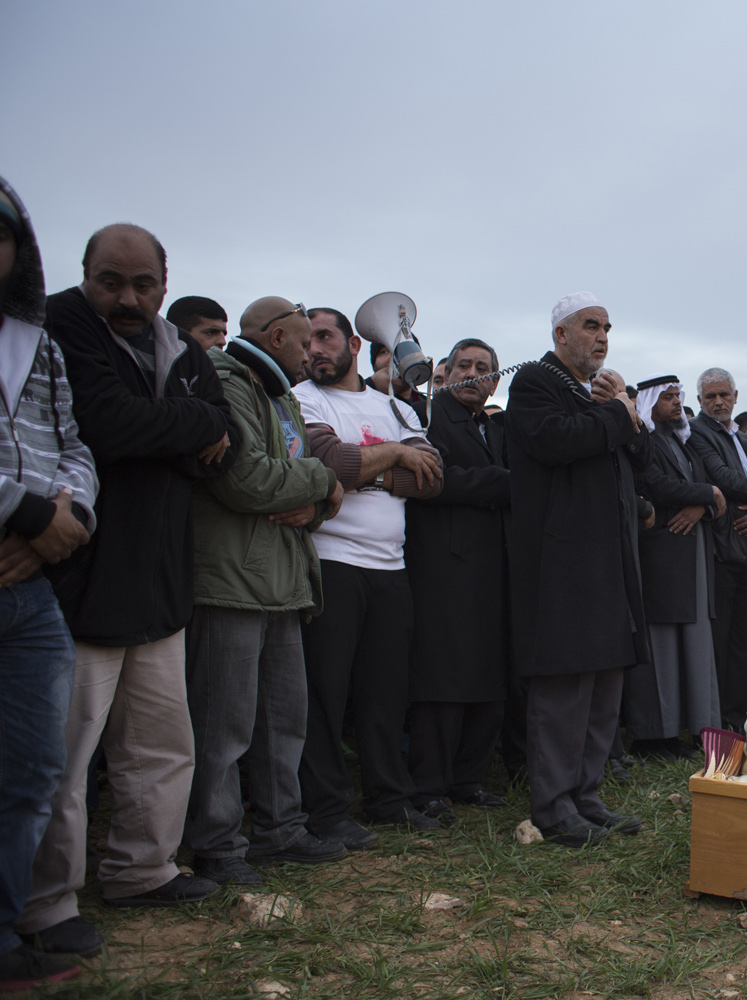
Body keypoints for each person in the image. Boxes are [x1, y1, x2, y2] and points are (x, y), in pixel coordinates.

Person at [24, 224, 233, 958]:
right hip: (78, 578)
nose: (126, 297)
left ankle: (143, 869)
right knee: (63, 754)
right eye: (111, 281)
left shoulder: (176, 343)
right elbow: (101, 425)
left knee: (160, 743)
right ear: (85, 274)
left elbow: (225, 436)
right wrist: (187, 431)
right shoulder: (60, 325)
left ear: (164, 282)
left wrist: (179, 433)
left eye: (142, 284)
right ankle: (46, 900)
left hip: (162, 575)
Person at [183, 297, 349, 885]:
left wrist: (317, 499)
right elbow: (246, 480)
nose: (312, 354)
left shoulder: (281, 397)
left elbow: (313, 501)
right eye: (305, 343)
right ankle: (218, 845)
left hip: (282, 579)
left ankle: (281, 830)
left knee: (285, 722)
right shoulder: (225, 383)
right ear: (277, 337)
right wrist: (327, 479)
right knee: (222, 726)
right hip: (230, 581)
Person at [0, 177, 98, 989]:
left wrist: (68, 520)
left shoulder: (36, 343)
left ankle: (5, 937)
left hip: (28, 579)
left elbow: (75, 449)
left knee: (33, 766)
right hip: (28, 537)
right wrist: (33, 513)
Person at [295, 306, 444, 838]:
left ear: (354, 346)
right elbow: (328, 464)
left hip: (392, 568)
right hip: (330, 563)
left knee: (386, 695)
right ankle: (327, 810)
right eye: (308, 339)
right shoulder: (303, 398)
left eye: (325, 337)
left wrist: (370, 470)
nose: (314, 348)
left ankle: (389, 799)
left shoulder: (392, 407)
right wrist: (395, 458)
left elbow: (431, 479)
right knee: (325, 696)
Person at [506, 292, 647, 847]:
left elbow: (644, 462)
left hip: (608, 561)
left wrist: (626, 415)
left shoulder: (597, 396)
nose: (602, 337)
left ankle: (587, 795)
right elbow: (557, 441)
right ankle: (553, 804)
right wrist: (617, 413)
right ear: (561, 335)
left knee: (605, 682)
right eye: (591, 326)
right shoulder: (535, 383)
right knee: (564, 687)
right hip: (562, 561)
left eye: (608, 327)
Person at [404, 338, 513, 824]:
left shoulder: (492, 425)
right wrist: (502, 483)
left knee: (488, 677)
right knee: (442, 680)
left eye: (483, 367)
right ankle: (429, 786)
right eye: (463, 365)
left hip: (493, 568)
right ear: (444, 373)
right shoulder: (425, 417)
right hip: (444, 568)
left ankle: (467, 780)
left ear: (494, 378)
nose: (473, 373)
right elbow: (432, 479)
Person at [627, 374, 724, 759]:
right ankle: (654, 737)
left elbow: (707, 488)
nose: (675, 404)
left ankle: (690, 728)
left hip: (691, 552)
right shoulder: (645, 441)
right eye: (666, 398)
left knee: (693, 647)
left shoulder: (682, 443)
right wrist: (706, 494)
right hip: (661, 554)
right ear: (649, 404)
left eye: (677, 397)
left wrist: (703, 502)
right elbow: (654, 483)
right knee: (661, 648)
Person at [689, 368, 747, 730]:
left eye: (724, 395)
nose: (718, 402)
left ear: (736, 396)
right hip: (722, 547)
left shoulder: (745, 440)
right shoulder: (698, 431)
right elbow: (720, 475)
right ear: (699, 401)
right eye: (710, 397)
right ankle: (716, 721)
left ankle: (735, 717)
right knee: (721, 638)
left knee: (744, 637)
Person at [368, 340, 430, 428]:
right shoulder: (364, 400)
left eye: (402, 350)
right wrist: (371, 384)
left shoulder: (429, 407)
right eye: (384, 352)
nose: (392, 358)